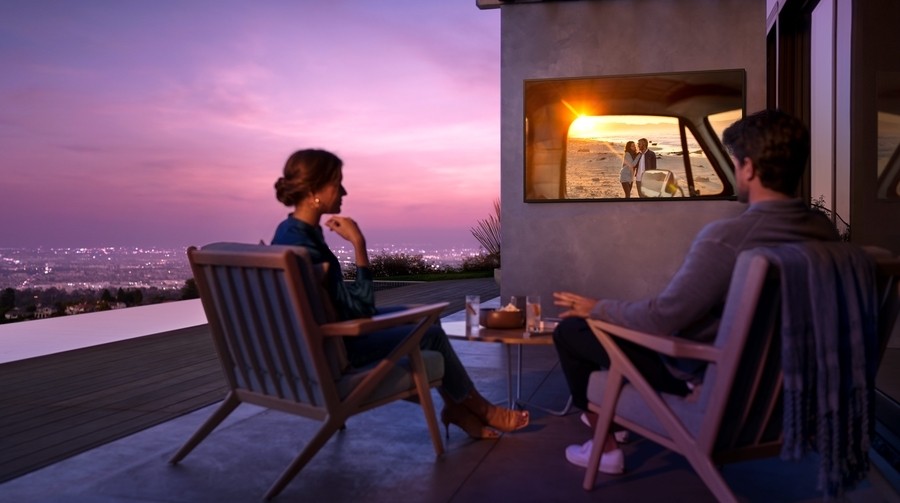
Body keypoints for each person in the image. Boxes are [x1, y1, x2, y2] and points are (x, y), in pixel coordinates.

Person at [552, 109, 838, 474]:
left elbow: (660, 318)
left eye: (734, 163)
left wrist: (598, 308)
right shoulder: (824, 234)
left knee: (573, 331)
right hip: (785, 392)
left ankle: (605, 447)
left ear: (748, 168)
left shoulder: (729, 239)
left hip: (710, 378)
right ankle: (617, 421)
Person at [271, 148, 529, 439]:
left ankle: (457, 408)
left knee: (428, 319)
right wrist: (359, 244)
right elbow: (362, 309)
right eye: (337, 182)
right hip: (341, 345)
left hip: (318, 341)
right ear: (314, 190)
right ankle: (483, 409)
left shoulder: (287, 234)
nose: (343, 190)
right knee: (429, 331)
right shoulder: (308, 248)